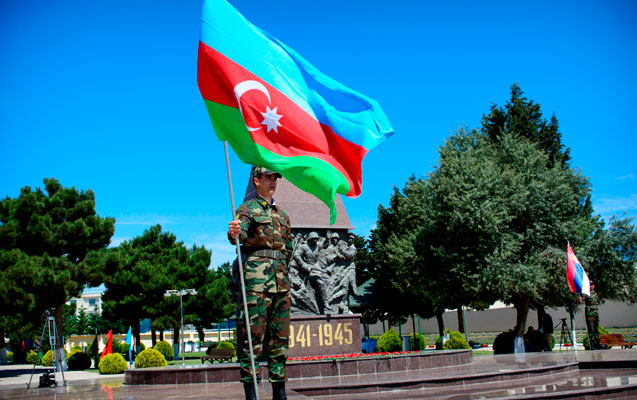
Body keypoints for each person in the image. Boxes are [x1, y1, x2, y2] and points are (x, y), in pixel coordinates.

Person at [228, 166, 292, 400]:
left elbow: (289, 248)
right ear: (256, 181)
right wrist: (234, 232)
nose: (272, 182)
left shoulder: (283, 215)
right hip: (256, 284)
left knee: (280, 341)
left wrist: (282, 269)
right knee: (252, 340)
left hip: (281, 284)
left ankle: (280, 393)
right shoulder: (247, 209)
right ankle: (251, 394)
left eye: (275, 178)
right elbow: (240, 234)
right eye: (267, 178)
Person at [580, 281, 603, 350]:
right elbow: (582, 300)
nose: (591, 286)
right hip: (590, 314)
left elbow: (597, 302)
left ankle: (598, 343)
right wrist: (580, 299)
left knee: (596, 329)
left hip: (596, 313)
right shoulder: (586, 293)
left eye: (592, 285)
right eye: (590, 285)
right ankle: (591, 344)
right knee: (591, 329)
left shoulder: (595, 293)